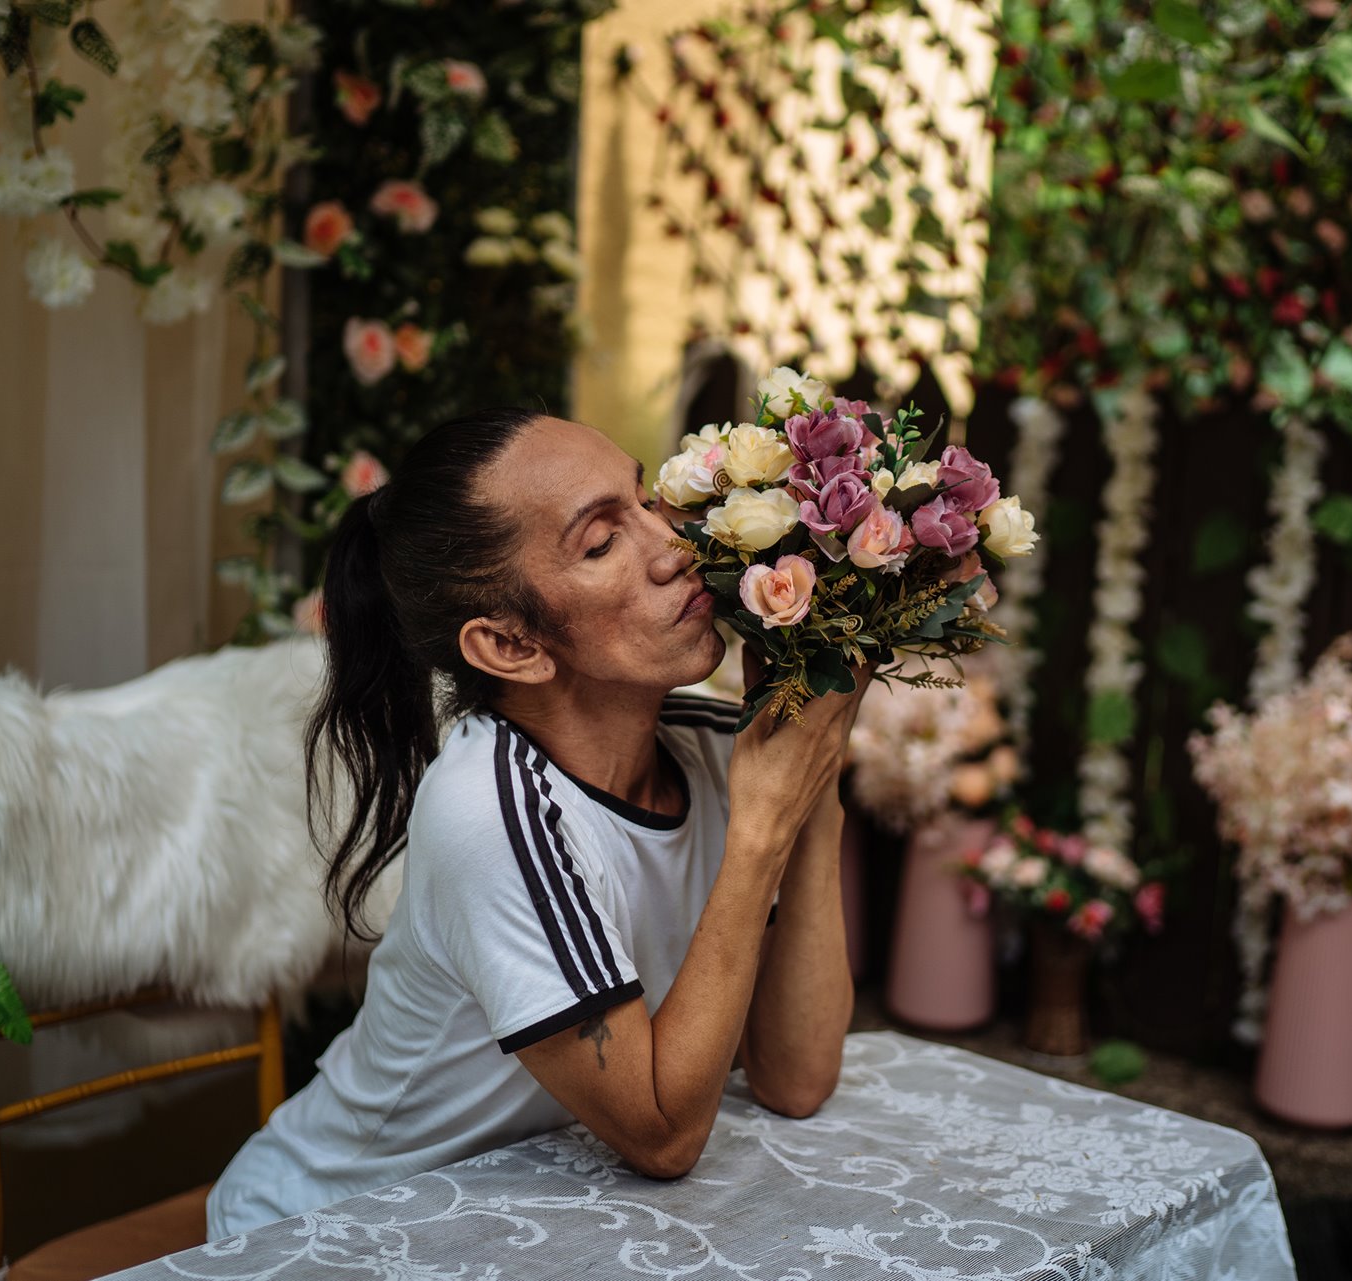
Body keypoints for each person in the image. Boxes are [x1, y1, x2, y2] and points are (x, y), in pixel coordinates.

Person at [206, 408, 865, 1237]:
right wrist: (765, 824)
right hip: (332, 1224)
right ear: (513, 645)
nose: (673, 547)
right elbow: (661, 1135)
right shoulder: (493, 807)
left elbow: (795, 1078)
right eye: (600, 543)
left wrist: (816, 771)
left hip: (512, 1209)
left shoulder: (709, 749)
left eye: (645, 499)